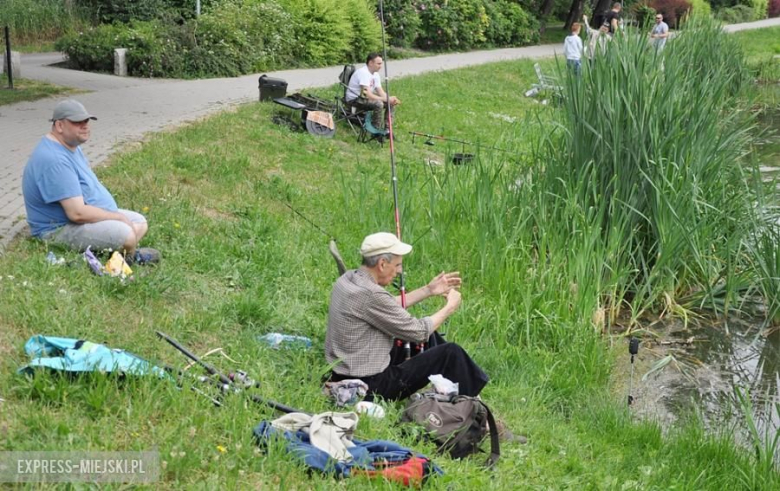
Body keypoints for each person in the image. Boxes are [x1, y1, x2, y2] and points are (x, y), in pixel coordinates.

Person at [325, 232, 488, 402]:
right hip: (370, 386)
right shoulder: (371, 295)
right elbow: (418, 331)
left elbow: (387, 306)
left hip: (343, 372)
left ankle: (463, 391)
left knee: (430, 338)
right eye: (397, 265)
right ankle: (475, 409)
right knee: (450, 353)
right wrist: (450, 307)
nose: (399, 271)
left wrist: (428, 289)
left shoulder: (349, 279)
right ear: (382, 264)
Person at [22, 99, 159, 264]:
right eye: (77, 122)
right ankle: (125, 260)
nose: (85, 126)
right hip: (57, 229)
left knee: (139, 222)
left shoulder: (71, 146)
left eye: (86, 121)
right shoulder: (55, 159)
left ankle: (102, 254)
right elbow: (76, 213)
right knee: (127, 235)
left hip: (78, 219)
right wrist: (116, 217)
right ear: (59, 126)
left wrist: (113, 216)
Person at [345, 53, 401, 131]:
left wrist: (390, 99)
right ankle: (375, 130)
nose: (380, 66)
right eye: (378, 64)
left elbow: (380, 91)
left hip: (364, 98)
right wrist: (385, 99)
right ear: (371, 63)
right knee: (379, 104)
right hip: (355, 99)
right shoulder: (363, 73)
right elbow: (366, 94)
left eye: (381, 63)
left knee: (390, 104)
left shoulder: (375, 74)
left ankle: (388, 130)